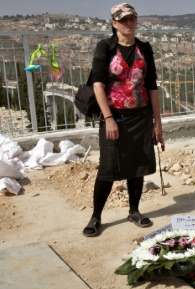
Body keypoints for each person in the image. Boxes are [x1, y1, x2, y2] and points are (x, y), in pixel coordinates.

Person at [82, 3, 164, 237]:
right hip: (114, 116)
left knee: (136, 166)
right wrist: (107, 117)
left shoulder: (144, 49)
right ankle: (96, 216)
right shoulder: (105, 47)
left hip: (141, 116)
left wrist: (157, 123)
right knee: (108, 167)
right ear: (114, 23)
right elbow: (97, 84)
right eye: (124, 20)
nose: (129, 24)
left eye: (132, 19)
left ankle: (134, 211)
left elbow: (152, 86)